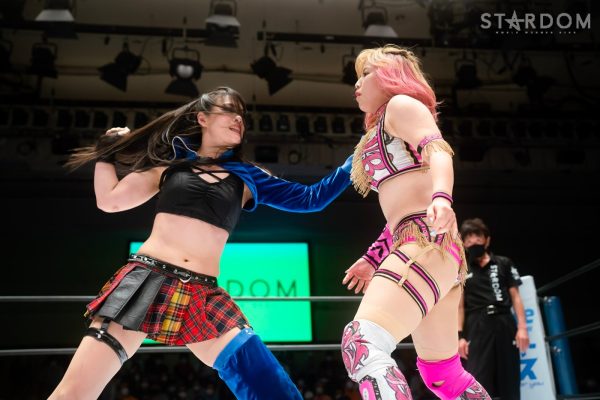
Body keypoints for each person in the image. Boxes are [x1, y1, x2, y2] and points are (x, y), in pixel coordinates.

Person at [49, 86, 353, 400]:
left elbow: (311, 199)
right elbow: (109, 200)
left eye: (242, 115)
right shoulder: (169, 166)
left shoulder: (249, 176)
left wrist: (355, 161)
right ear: (202, 118)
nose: (238, 119)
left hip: (202, 295)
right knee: (73, 394)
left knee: (275, 390)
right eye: (229, 110)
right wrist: (105, 153)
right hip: (146, 281)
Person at [340, 45, 491, 400]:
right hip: (427, 247)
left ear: (390, 75)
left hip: (425, 243)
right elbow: (402, 209)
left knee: (362, 342)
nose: (357, 84)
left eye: (366, 74)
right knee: (443, 376)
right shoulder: (384, 124)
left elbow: (438, 149)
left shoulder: (400, 105)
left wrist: (442, 197)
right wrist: (374, 257)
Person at [458, 218, 530, 400]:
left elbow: (516, 297)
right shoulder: (462, 270)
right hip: (477, 325)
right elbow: (460, 306)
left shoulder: (504, 263)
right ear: (464, 244)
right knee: (478, 380)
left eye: (477, 238)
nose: (473, 242)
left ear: (487, 240)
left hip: (504, 322)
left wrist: (522, 327)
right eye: (468, 239)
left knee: (510, 380)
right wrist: (460, 337)